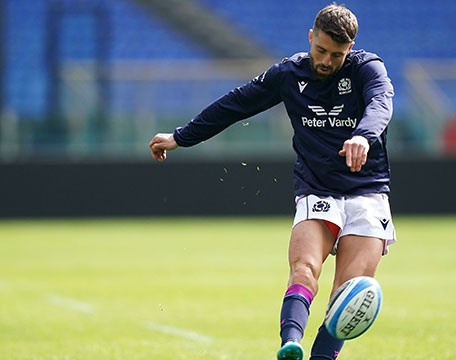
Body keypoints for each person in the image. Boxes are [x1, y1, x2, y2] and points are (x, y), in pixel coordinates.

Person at [149, 4, 396, 359]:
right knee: (305, 267)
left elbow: (381, 102)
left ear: (351, 50)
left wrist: (363, 135)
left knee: (346, 294)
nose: (326, 61)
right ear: (311, 38)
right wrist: (181, 136)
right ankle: (290, 344)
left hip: (367, 193)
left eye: (337, 55)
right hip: (317, 189)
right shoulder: (287, 74)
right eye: (321, 50)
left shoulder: (367, 68)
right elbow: (235, 104)